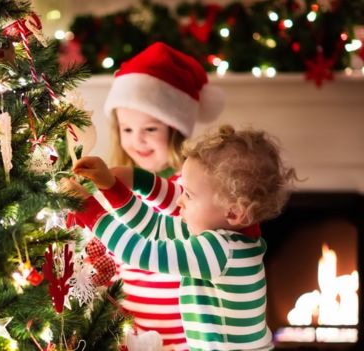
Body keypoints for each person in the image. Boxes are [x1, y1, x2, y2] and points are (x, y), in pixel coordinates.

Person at [68, 125, 297, 350]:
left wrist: (89, 209)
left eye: (189, 194)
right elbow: (154, 226)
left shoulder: (219, 252)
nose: (179, 201)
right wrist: (114, 187)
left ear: (234, 212)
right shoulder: (229, 234)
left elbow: (141, 252)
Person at [98, 41, 223, 350]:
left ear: (175, 130)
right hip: (132, 329)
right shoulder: (117, 188)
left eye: (150, 129)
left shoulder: (190, 188)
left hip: (185, 333)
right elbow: (112, 252)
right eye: (127, 130)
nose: (137, 140)